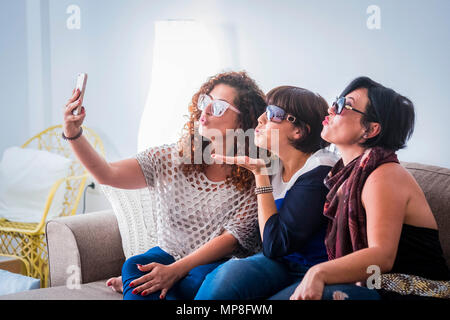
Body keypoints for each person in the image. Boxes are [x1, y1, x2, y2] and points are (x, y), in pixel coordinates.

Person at [62, 71, 267, 300]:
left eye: (218, 107)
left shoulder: (255, 173)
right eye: (205, 101)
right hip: (170, 253)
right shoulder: (172, 158)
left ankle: (137, 286)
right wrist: (74, 134)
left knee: (196, 282)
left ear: (243, 121)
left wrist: (175, 271)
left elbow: (229, 241)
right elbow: (106, 174)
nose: (205, 111)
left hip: (214, 264)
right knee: (134, 266)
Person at [270, 76, 450, 300]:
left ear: (371, 129)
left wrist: (318, 272)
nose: (331, 109)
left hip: (417, 290)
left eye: (344, 105)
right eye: (336, 101)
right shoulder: (342, 177)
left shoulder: (384, 174)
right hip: (374, 286)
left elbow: (382, 256)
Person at [194, 86, 338, 300]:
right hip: (280, 263)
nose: (260, 119)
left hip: (313, 271)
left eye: (273, 114)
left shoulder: (321, 170)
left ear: (299, 131)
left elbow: (275, 244)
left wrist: (259, 175)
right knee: (225, 277)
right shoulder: (276, 165)